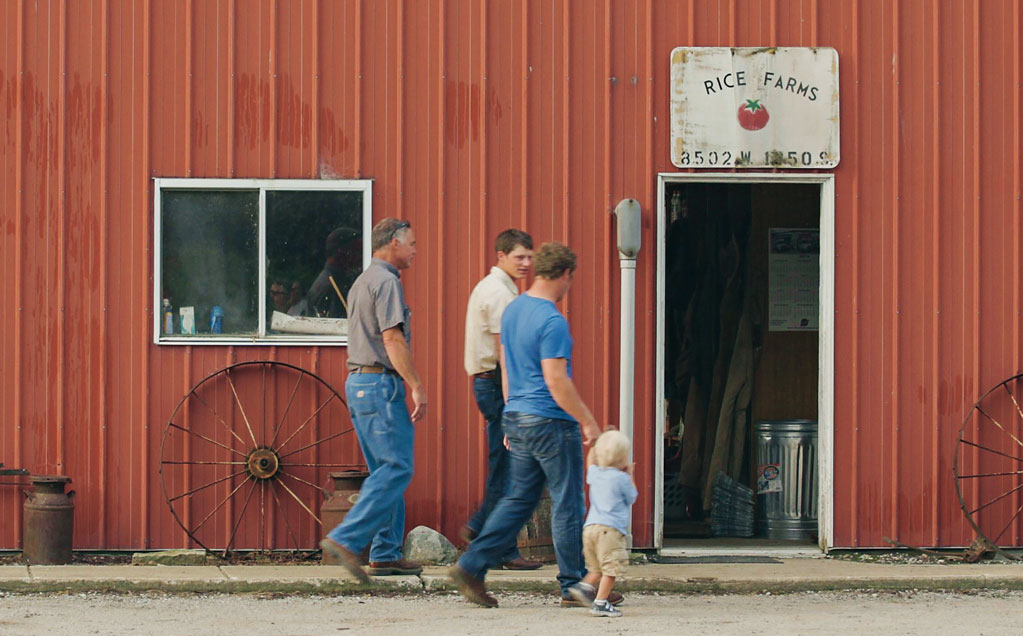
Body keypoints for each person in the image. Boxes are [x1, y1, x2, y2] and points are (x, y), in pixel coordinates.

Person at [450, 242, 609, 608]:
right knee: (567, 501)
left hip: (517, 416)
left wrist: (510, 414)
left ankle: (471, 565)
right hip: (551, 420)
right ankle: (574, 584)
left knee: (518, 499)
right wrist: (588, 421)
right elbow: (556, 379)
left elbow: (505, 364)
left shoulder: (514, 310)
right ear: (566, 274)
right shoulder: (552, 320)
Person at [320, 217, 428, 583]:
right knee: (397, 469)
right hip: (382, 385)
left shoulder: (362, 281)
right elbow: (393, 339)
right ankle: (345, 539)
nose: (415, 249)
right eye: (411, 242)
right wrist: (415, 384)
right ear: (393, 243)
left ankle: (384, 554)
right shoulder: (386, 282)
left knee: (387, 471)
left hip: (359, 385)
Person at [460, 229, 542, 571]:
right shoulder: (499, 295)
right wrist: (514, 404)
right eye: (519, 257)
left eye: (529, 256)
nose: (526, 263)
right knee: (506, 465)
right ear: (501, 256)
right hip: (496, 384)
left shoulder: (501, 289)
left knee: (505, 464)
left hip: (491, 383)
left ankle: (494, 542)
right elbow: (504, 353)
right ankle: (485, 532)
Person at [576, 430, 637, 618]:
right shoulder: (621, 479)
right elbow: (632, 497)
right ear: (622, 458)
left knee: (596, 568)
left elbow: (589, 464)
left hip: (590, 528)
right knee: (611, 569)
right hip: (609, 531)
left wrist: (593, 446)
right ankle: (601, 603)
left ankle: (583, 586)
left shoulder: (595, 474)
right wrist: (630, 475)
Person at [305, 226, 362, 318]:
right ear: (342, 253)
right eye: (356, 252)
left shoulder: (335, 280)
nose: (360, 258)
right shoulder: (328, 286)